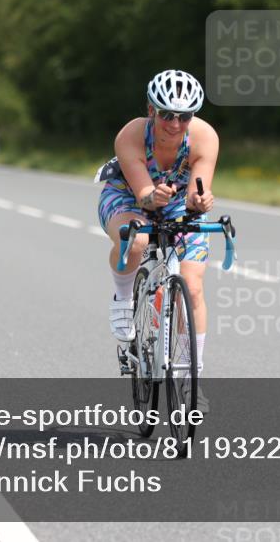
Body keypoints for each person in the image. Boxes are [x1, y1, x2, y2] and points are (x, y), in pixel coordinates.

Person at [96, 69, 218, 376]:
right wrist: (152, 198)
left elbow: (197, 191)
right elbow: (144, 194)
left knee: (192, 287)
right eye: (166, 115)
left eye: (184, 116)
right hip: (127, 196)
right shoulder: (132, 134)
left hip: (176, 201)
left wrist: (198, 201)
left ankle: (190, 374)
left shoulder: (205, 137)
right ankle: (123, 299)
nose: (175, 124)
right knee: (134, 239)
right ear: (151, 110)